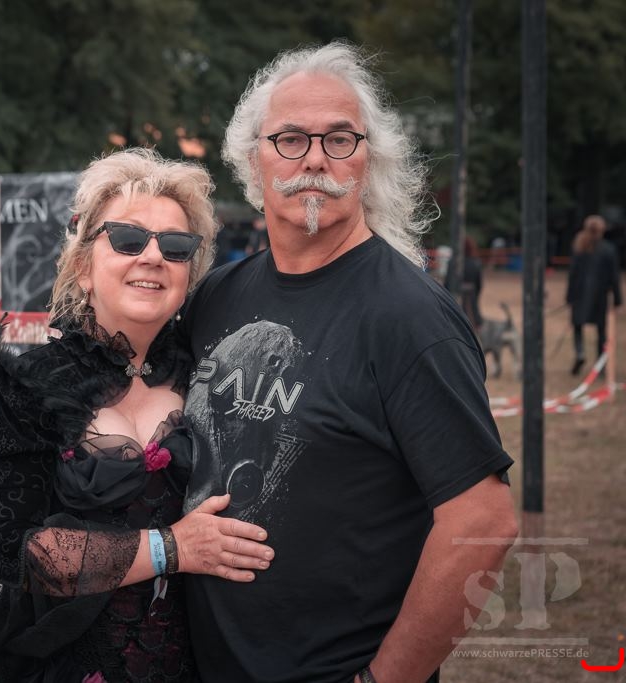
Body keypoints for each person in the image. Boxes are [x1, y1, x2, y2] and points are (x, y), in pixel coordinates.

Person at [180, 42, 518, 683]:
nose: (315, 158)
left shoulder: (410, 317)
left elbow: (483, 523)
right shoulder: (217, 297)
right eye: (290, 139)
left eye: (339, 139)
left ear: (368, 161)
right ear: (253, 159)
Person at [0, 148, 273, 683]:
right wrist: (174, 547)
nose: (152, 256)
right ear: (83, 267)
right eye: (128, 239)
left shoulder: (212, 377)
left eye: (175, 246)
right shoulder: (25, 386)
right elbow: (14, 557)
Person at [566, 214, 622, 375]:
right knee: (601, 331)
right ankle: (600, 364)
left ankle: (580, 352)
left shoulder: (579, 246)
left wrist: (569, 296)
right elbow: (614, 277)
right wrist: (617, 300)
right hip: (599, 296)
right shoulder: (608, 249)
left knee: (578, 326)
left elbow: (573, 274)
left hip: (579, 294)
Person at [445, 236, 484, 330]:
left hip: (455, 300)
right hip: (471, 300)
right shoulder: (475, 263)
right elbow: (479, 285)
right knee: (473, 326)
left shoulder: (453, 263)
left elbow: (447, 284)